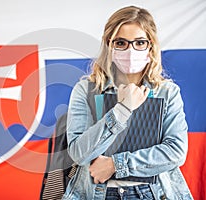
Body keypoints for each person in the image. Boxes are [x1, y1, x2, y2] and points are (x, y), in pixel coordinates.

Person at [62, 5, 193, 200]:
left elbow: (175, 152)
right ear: (109, 44)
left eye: (139, 42)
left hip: (153, 193)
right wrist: (122, 109)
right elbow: (80, 153)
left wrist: (115, 164)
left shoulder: (167, 92)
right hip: (98, 193)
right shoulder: (86, 90)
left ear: (150, 45)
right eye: (121, 42)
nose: (130, 50)